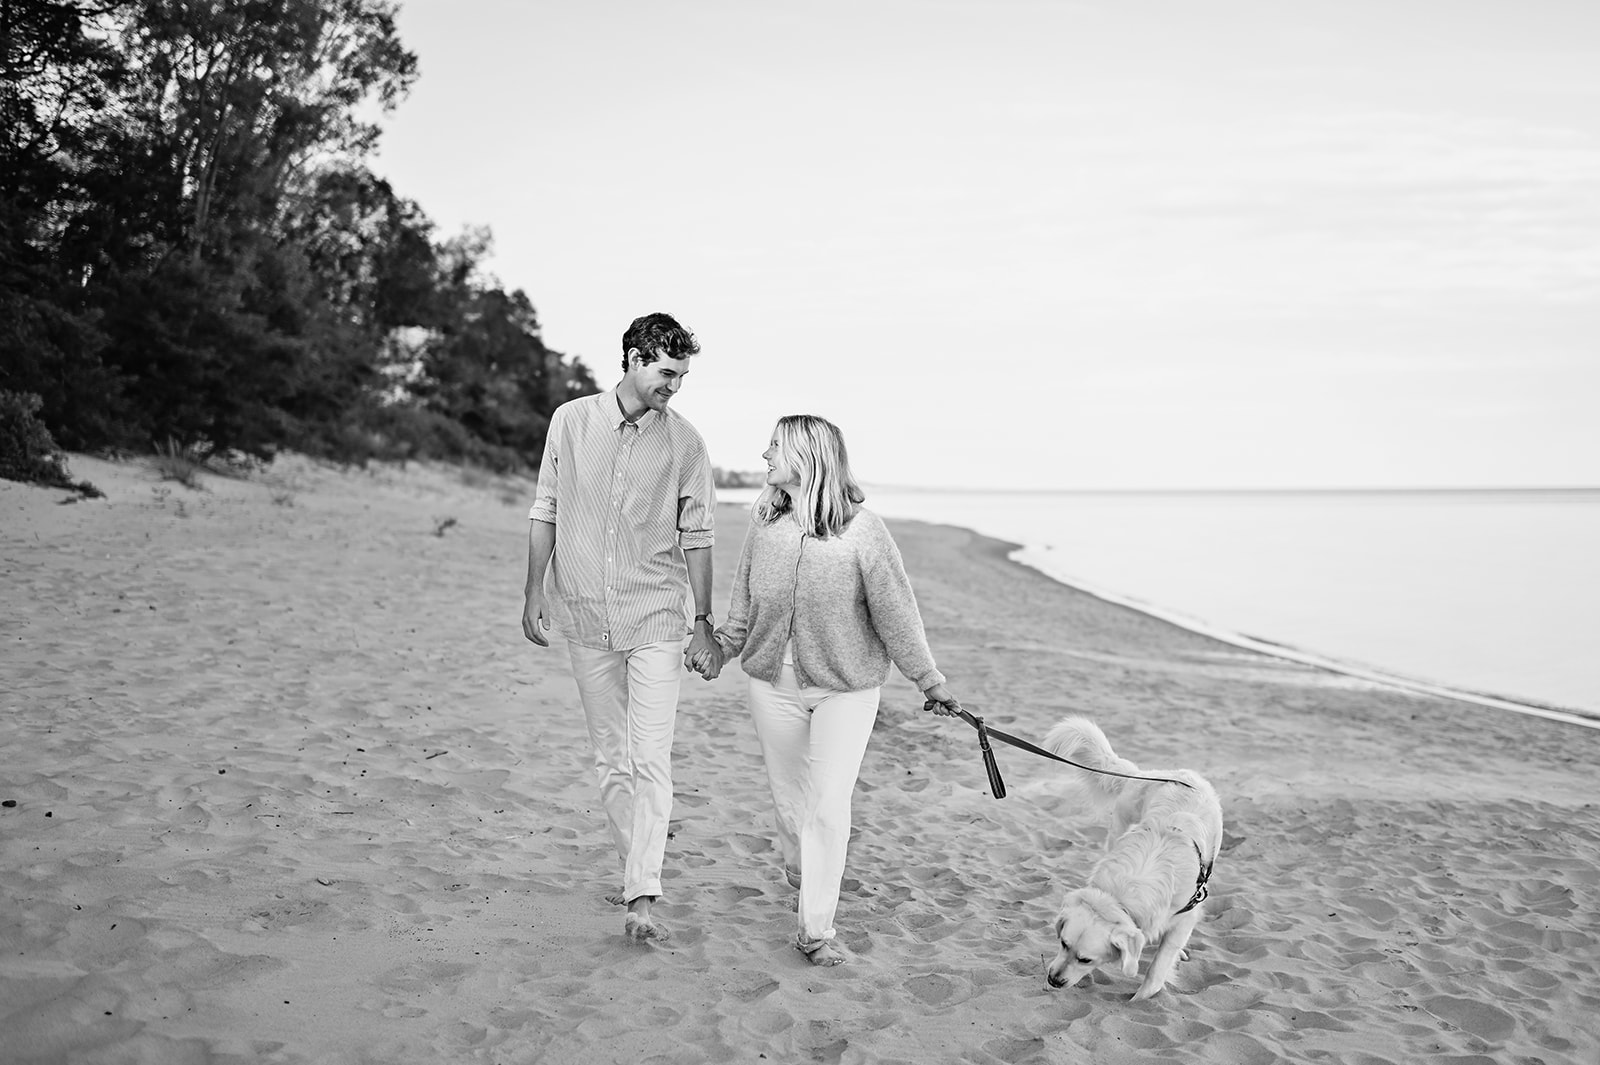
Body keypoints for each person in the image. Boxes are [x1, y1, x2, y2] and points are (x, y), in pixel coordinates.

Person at [693, 414, 963, 966]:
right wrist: (719, 649)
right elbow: (743, 606)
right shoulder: (765, 526)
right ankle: (803, 863)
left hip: (846, 688)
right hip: (773, 684)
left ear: (806, 456)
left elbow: (897, 614)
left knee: (828, 804)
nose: (765, 455)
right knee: (790, 803)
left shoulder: (864, 531)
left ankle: (816, 930)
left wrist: (928, 681)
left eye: (774, 447)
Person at [522, 311, 718, 943]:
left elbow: (700, 537)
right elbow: (546, 507)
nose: (675, 387)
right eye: (667, 372)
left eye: (682, 375)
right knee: (611, 759)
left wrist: (704, 622)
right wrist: (534, 589)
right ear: (633, 358)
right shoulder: (570, 422)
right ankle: (637, 867)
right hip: (582, 612)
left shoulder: (685, 443)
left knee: (650, 757)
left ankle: (643, 893)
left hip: (657, 615)